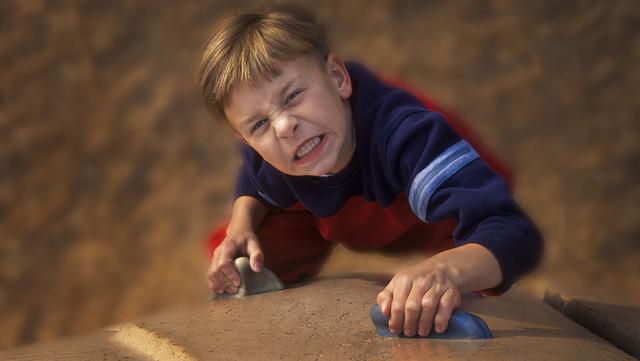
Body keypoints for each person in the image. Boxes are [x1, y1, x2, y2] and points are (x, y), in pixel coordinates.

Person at [197, 5, 542, 337]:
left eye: (293, 96)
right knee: (237, 252)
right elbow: (255, 177)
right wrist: (241, 225)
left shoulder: (406, 136)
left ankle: (450, 279)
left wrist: (444, 271)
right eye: (258, 125)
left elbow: (514, 231)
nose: (285, 125)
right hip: (348, 210)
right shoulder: (281, 146)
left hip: (427, 207)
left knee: (445, 281)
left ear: (337, 78)